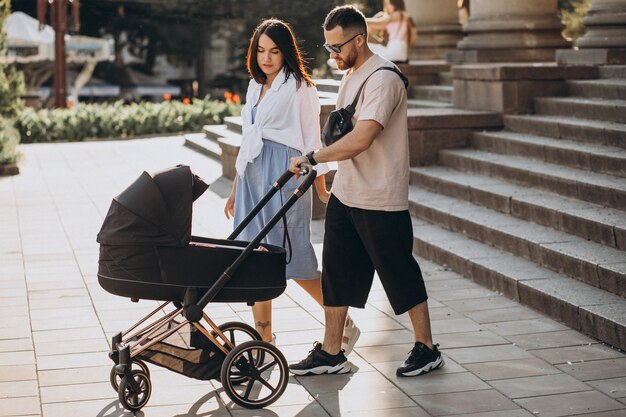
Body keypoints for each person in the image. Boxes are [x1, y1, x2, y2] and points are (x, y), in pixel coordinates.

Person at [288, 5, 444, 377]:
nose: (333, 55)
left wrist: (314, 157)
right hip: (348, 191)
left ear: (360, 39)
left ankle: (427, 348)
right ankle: (331, 352)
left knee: (398, 271)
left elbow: (362, 137)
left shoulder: (384, 78)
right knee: (336, 275)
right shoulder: (352, 72)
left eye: (337, 47)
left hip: (380, 196)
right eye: (328, 48)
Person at [224, 19, 360, 354]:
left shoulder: (302, 88)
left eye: (274, 51)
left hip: (287, 174)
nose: (266, 58)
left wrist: (321, 182)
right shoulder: (255, 87)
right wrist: (235, 188)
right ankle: (263, 340)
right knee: (253, 258)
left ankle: (342, 321)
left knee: (292, 256)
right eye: (260, 51)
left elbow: (313, 138)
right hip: (253, 173)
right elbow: (247, 140)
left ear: (286, 52)